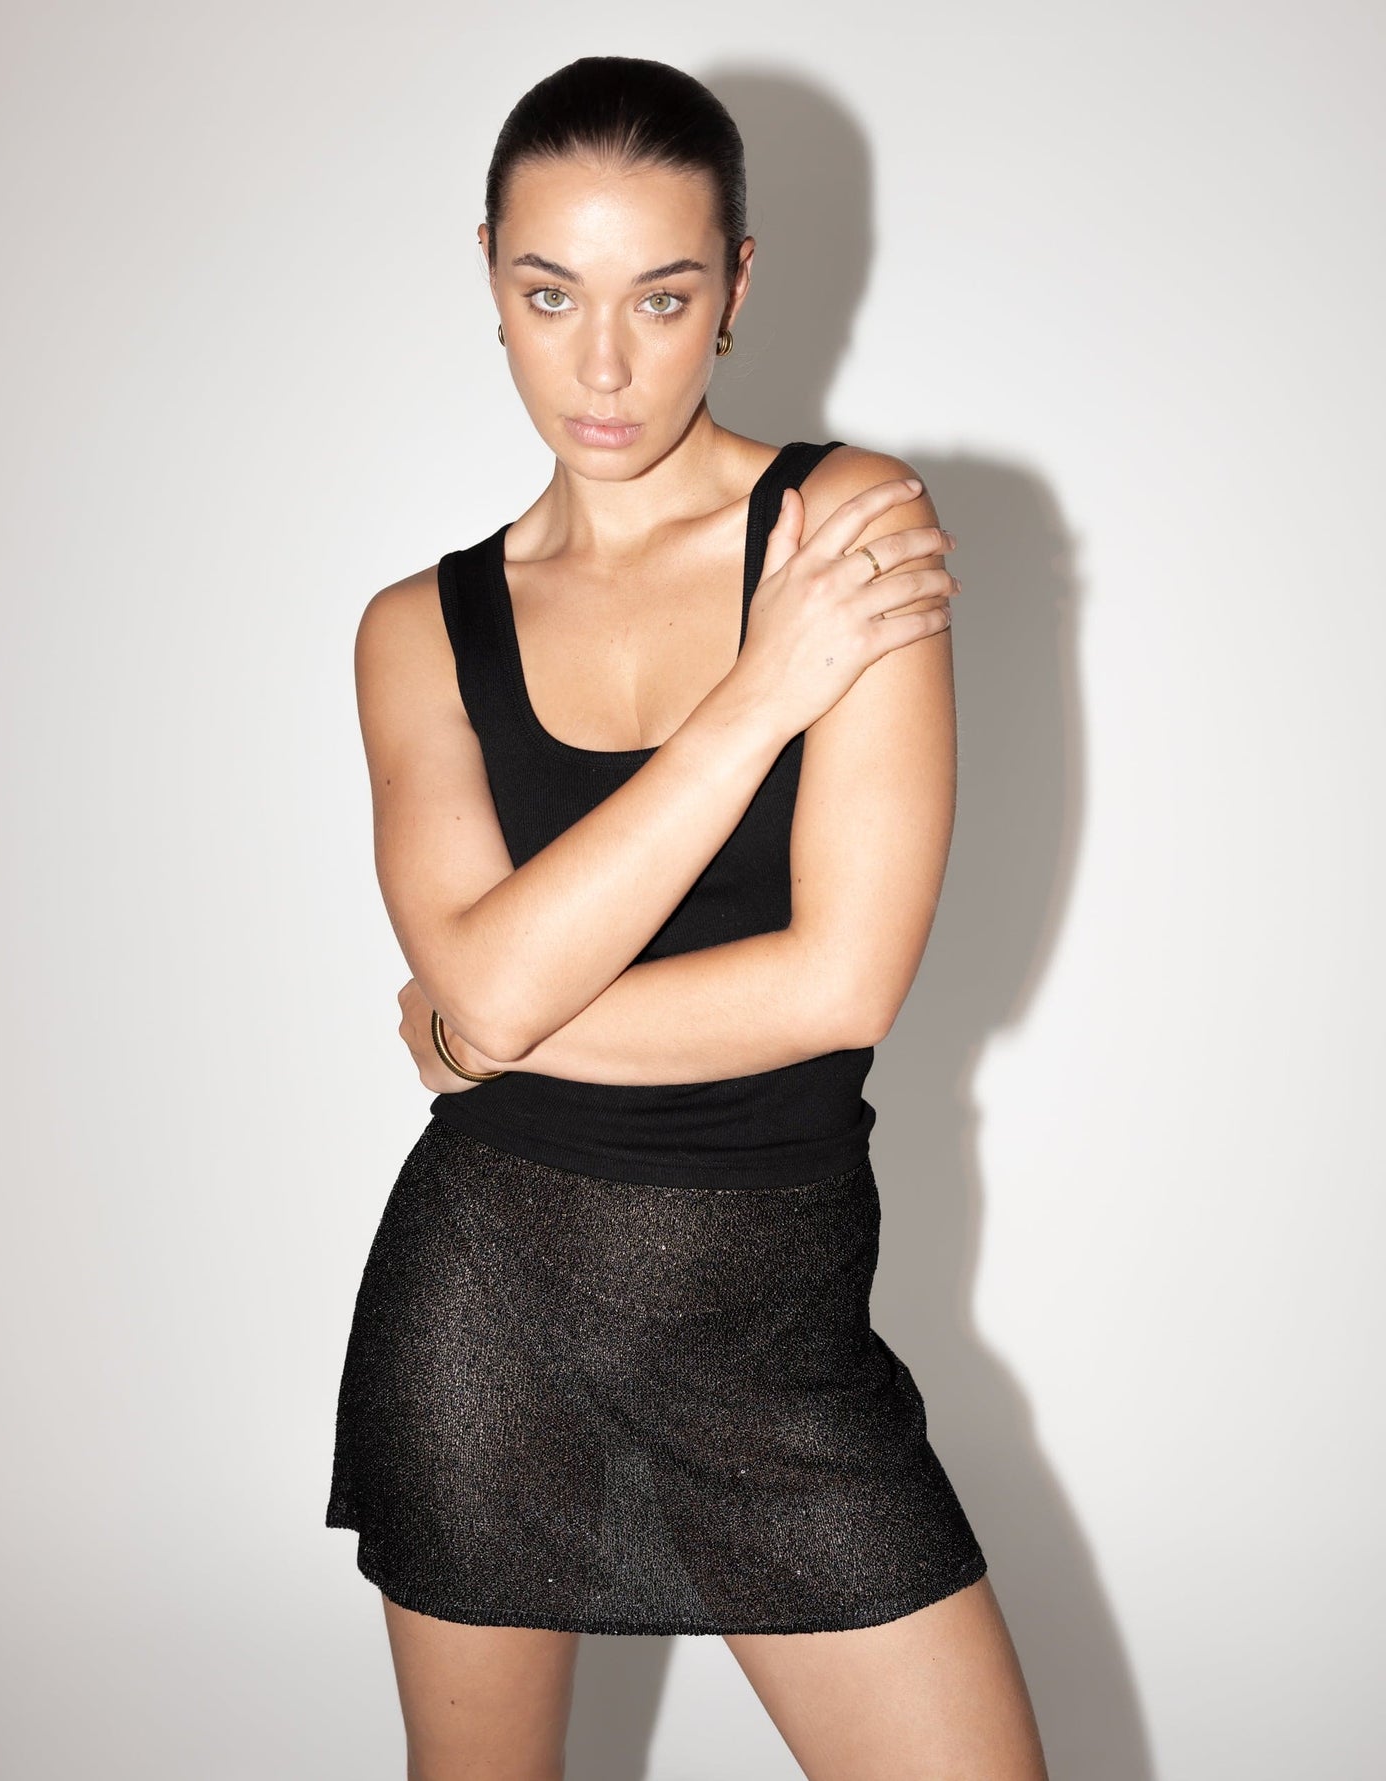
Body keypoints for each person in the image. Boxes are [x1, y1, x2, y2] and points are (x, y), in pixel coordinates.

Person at [325, 53, 1048, 1781]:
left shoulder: (847, 525)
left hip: (776, 1339)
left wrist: (485, 1027)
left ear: (737, 284)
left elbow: (839, 982)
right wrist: (763, 690)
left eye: (659, 296)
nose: (602, 364)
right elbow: (479, 978)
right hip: (489, 1317)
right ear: (488, 274)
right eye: (548, 293)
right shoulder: (417, 632)